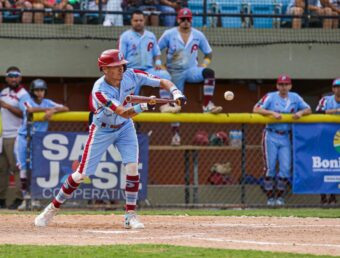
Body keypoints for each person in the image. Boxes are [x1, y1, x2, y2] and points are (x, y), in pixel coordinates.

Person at [34, 49, 186, 229]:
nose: (121, 69)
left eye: (121, 65)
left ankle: (130, 216)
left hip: (125, 127)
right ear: (105, 69)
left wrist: (176, 93)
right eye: (115, 67)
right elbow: (123, 111)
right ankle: (51, 209)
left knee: (132, 167)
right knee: (81, 174)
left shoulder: (131, 74)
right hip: (102, 130)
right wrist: (144, 105)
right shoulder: (100, 90)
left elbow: (161, 81)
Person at [158, 7, 222, 145]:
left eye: (188, 19)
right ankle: (175, 136)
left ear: (191, 20)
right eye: (183, 19)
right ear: (178, 20)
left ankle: (206, 104)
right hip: (174, 72)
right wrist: (160, 64)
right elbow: (156, 49)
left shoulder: (198, 35)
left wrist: (204, 64)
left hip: (191, 69)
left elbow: (208, 53)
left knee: (209, 73)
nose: (185, 22)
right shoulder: (169, 34)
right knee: (176, 105)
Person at [253, 75, 311, 206]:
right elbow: (256, 108)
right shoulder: (271, 96)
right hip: (271, 134)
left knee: (285, 168)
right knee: (270, 168)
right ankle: (269, 198)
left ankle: (279, 198)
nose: (283, 87)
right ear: (277, 86)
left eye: (286, 84)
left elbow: (308, 109)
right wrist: (271, 113)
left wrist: (300, 113)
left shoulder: (295, 97)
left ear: (290, 86)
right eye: (281, 84)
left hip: (285, 135)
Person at [16, 79, 69, 210]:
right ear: (32, 91)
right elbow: (30, 109)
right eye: (37, 90)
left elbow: (66, 108)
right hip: (24, 137)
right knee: (23, 168)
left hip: (38, 140)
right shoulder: (26, 98)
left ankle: (34, 199)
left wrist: (53, 111)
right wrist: (50, 109)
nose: (40, 93)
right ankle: (25, 198)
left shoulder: (47, 102)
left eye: (42, 90)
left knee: (35, 168)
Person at [118, 9, 171, 95]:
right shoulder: (125, 36)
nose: (138, 22)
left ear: (144, 21)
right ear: (131, 21)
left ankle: (166, 102)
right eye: (136, 20)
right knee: (131, 98)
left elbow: (156, 52)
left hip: (148, 70)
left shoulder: (151, 35)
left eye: (141, 20)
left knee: (165, 76)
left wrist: (158, 62)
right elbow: (121, 56)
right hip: (132, 71)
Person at [0, 67, 29, 210]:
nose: (13, 79)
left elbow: (26, 114)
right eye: (11, 76)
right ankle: (2, 199)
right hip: (2, 136)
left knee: (16, 168)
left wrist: (7, 106)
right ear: (6, 78)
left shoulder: (23, 94)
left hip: (16, 135)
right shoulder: (3, 92)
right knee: (2, 169)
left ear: (20, 78)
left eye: (16, 76)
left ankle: (19, 199)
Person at [316, 78, 340, 205]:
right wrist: (335, 111)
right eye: (337, 87)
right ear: (333, 89)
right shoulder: (326, 100)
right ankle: (323, 197)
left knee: (337, 167)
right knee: (324, 166)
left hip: (338, 138)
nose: (339, 89)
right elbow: (318, 112)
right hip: (325, 136)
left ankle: (333, 196)